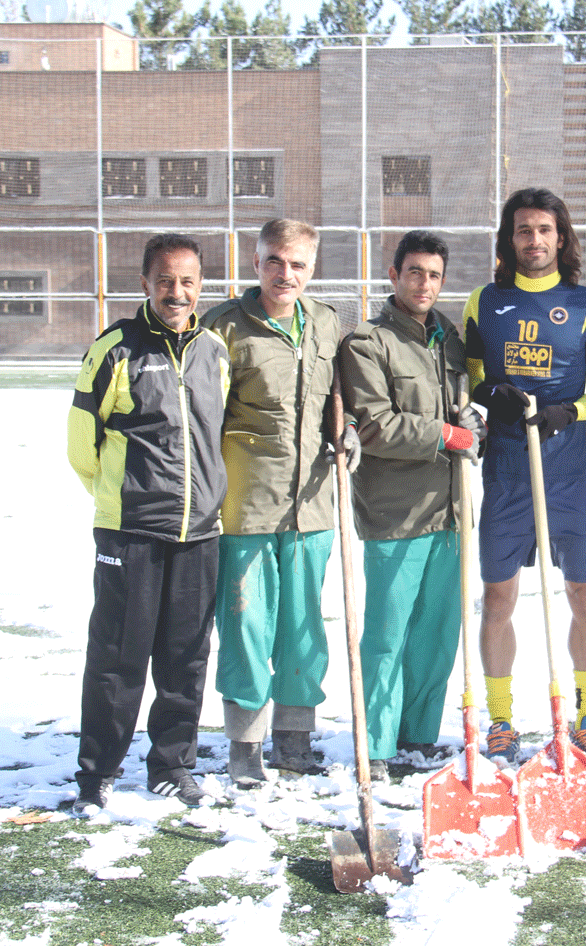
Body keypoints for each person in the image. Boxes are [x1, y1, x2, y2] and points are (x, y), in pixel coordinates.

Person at [66, 233, 230, 812]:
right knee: (118, 655)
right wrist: (119, 499)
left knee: (186, 656)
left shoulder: (215, 350)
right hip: (131, 529)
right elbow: (82, 444)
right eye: (164, 280)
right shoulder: (115, 349)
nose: (176, 292)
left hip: (199, 531)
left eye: (187, 281)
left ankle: (171, 764)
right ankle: (98, 773)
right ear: (144, 284)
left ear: (201, 285)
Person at [203, 218, 360, 789]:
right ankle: (245, 743)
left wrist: (349, 431)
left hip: (312, 504)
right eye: (274, 260)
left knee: (303, 626)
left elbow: (339, 399)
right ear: (256, 262)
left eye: (296, 264)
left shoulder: (326, 322)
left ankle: (295, 737)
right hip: (245, 503)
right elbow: (203, 416)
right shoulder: (222, 327)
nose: (284, 273)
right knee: (247, 622)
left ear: (312, 268)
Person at [463, 187, 586, 762]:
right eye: (523, 230)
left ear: (561, 237)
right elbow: (473, 377)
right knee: (498, 596)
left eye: (544, 230)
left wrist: (569, 411)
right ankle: (501, 720)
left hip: (569, 468)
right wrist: (491, 394)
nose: (534, 240)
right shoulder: (484, 302)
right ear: (510, 238)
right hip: (507, 469)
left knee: (584, 595)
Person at [339, 230, 486, 783]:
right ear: (395, 274)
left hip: (451, 511)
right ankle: (375, 743)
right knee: (387, 637)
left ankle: (418, 736)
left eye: (434, 275)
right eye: (415, 272)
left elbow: (466, 411)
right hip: (396, 513)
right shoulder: (368, 343)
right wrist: (450, 434)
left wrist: (474, 424)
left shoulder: (450, 339)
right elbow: (375, 425)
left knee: (437, 634)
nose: (425, 284)